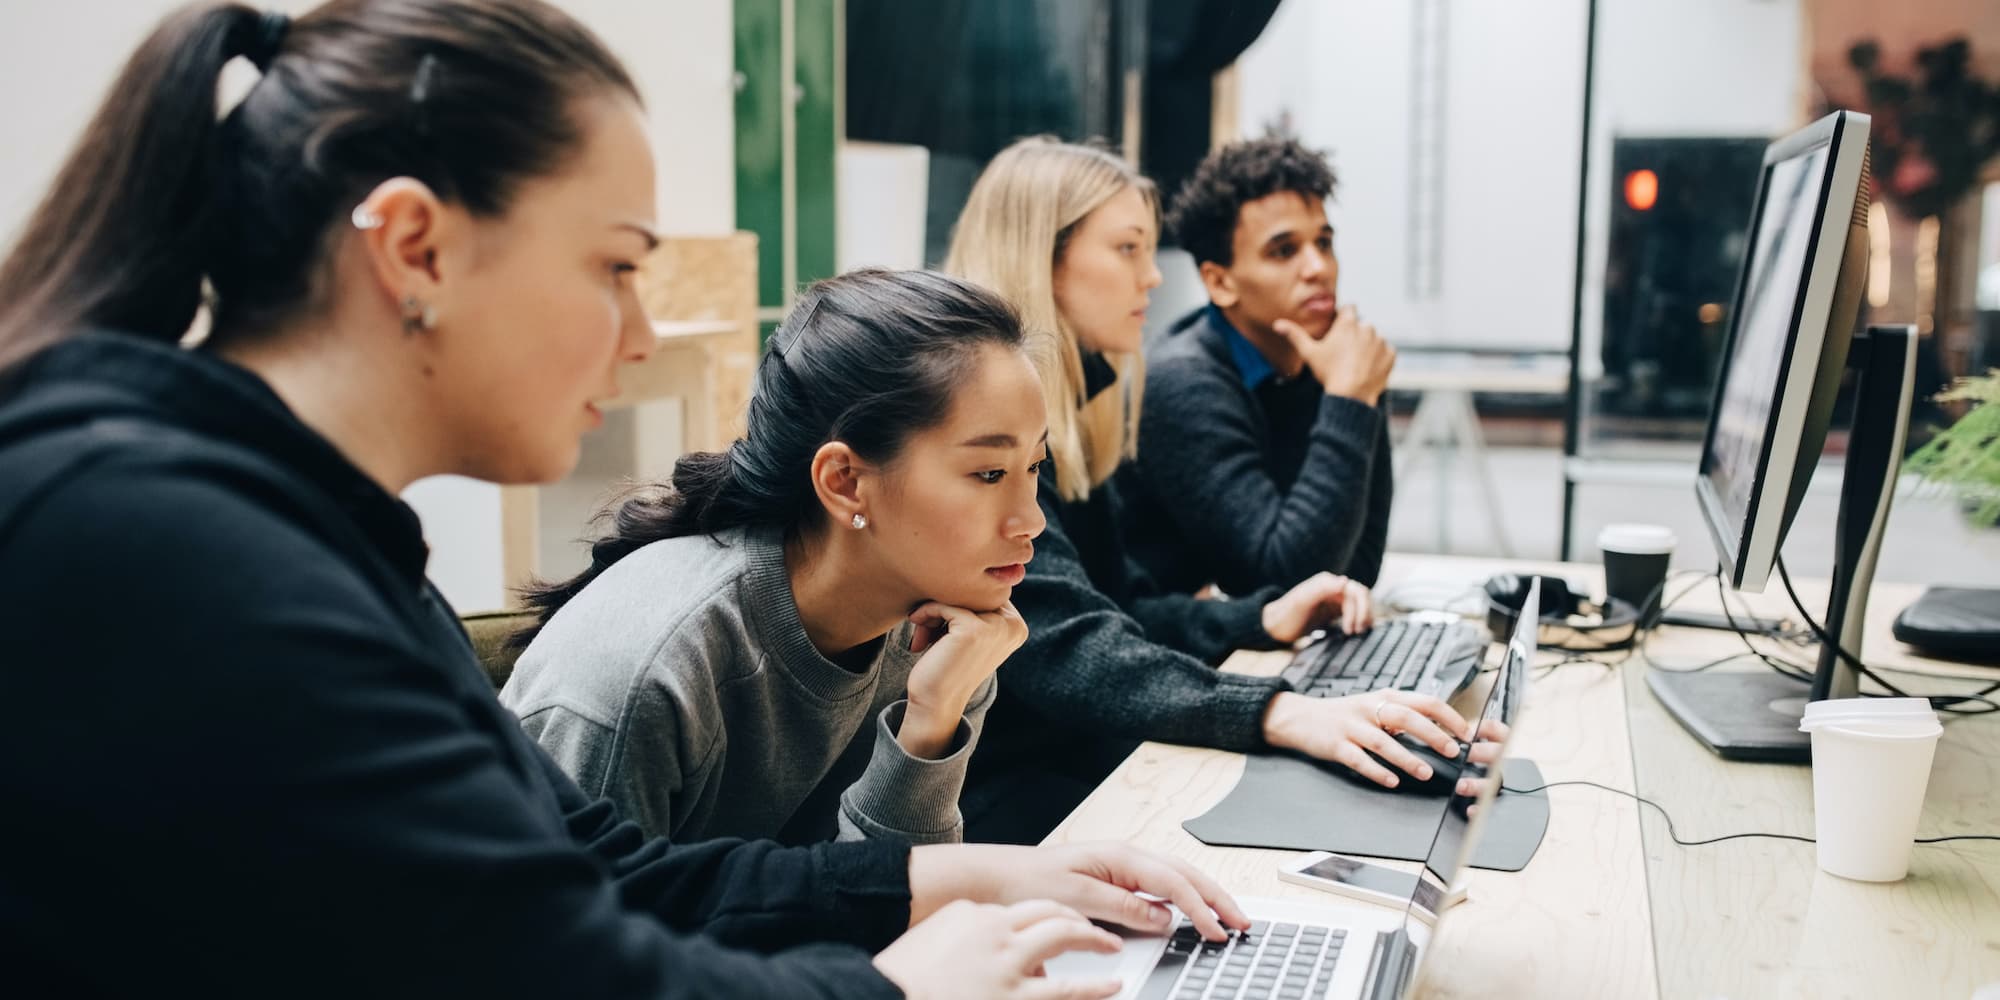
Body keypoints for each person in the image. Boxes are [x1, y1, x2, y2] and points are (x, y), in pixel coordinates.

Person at [0, 5, 1244, 996]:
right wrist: (896, 984)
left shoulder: (306, 539)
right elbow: (554, 965)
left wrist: (977, 876)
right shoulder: (166, 551)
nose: (642, 329)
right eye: (615, 268)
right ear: (414, 248)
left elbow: (595, 874)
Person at [944, 137, 1503, 844]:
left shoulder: (1076, 416)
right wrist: (1277, 711)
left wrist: (1258, 622)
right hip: (1010, 784)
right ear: (1041, 261)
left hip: (1084, 741)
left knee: (1357, 792)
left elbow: (1124, 605)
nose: (1151, 278)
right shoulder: (985, 435)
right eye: (1128, 250)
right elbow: (1069, 644)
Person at [502, 269, 1042, 847]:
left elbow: (887, 908)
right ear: (845, 483)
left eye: (1036, 466)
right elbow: (573, 932)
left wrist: (930, 724)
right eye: (989, 473)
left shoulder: (950, 642)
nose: (1031, 520)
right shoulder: (646, 678)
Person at [1119, 136, 1395, 596]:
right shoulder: (1181, 380)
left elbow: (1356, 572)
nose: (1318, 268)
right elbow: (1282, 583)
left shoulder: (1333, 362)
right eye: (1284, 251)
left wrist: (1356, 392)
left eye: (1324, 243)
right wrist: (1350, 400)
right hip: (1173, 652)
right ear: (1220, 283)